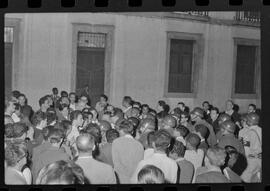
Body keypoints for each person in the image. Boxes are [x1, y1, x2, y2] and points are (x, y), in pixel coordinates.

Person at [240, 113, 261, 182]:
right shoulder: (261, 129)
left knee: (244, 180)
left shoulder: (248, 133)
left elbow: (246, 150)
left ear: (248, 121)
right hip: (261, 159)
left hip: (252, 160)